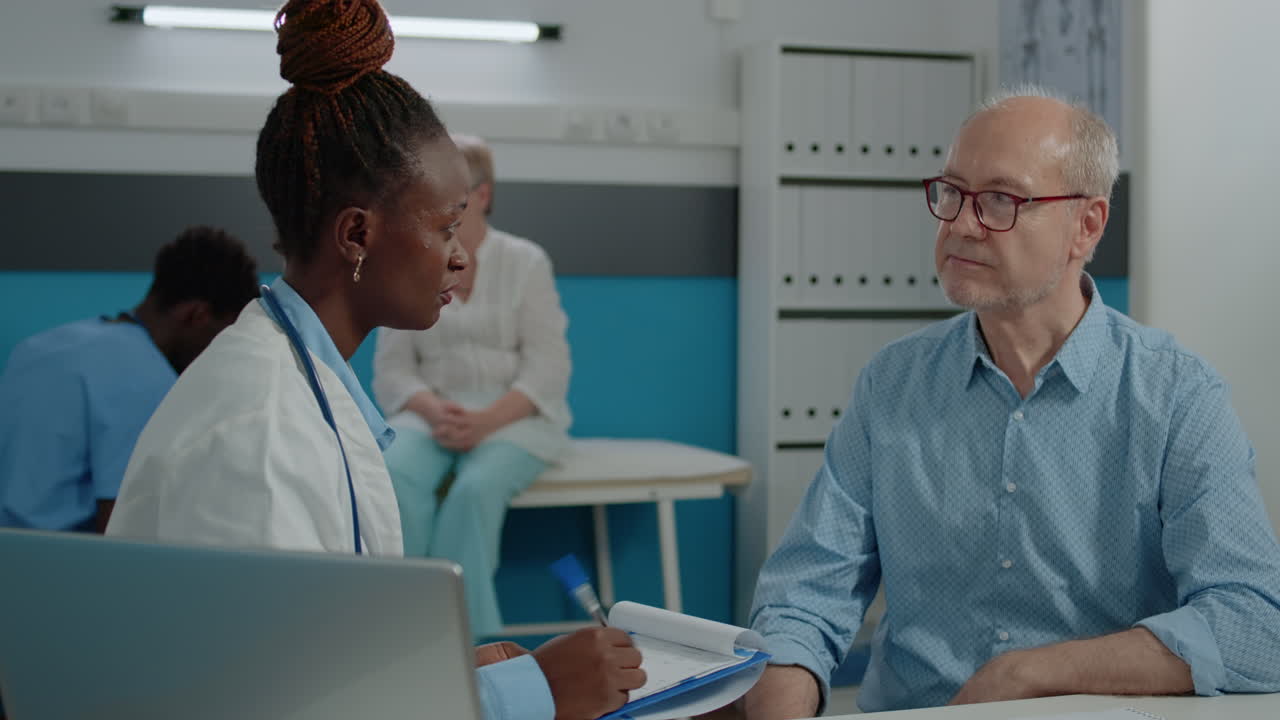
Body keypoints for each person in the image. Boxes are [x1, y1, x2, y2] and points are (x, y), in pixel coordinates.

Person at [104, 2, 643, 719]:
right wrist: (519, 696)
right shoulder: (260, 435)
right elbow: (281, 703)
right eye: (446, 227)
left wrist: (444, 670)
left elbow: (314, 653)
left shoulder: (303, 384)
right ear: (357, 234)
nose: (460, 254)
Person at [736, 87, 1280, 718]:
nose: (961, 224)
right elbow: (805, 596)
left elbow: (1254, 625)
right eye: (952, 192)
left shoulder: (1177, 396)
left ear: (1087, 225)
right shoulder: (892, 385)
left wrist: (1032, 674)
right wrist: (781, 692)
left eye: (1001, 199)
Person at [374, 133, 572, 639]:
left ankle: (463, 641)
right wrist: (432, 409)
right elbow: (392, 370)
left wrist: (488, 420)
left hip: (515, 416)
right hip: (429, 414)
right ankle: (398, 627)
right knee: (394, 475)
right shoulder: (409, 259)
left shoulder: (526, 262)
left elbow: (548, 366)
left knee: (474, 490)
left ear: (481, 194)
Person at [0, 226, 258, 533]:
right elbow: (124, 529)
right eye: (222, 336)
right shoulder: (150, 380)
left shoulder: (36, 348)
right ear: (197, 315)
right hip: (58, 569)